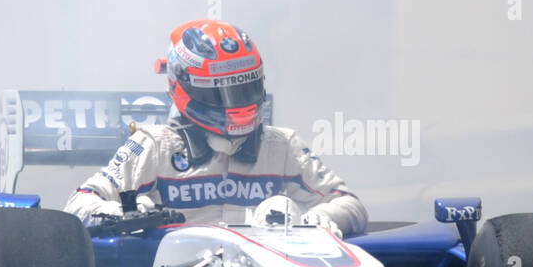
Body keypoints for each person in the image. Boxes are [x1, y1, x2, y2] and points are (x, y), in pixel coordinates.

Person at [64, 20, 368, 237]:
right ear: (181, 84)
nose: (236, 105)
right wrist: (130, 216)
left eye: (245, 89)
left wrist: (312, 218)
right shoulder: (152, 146)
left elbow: (351, 205)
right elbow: (77, 206)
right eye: (219, 93)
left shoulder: (282, 146)